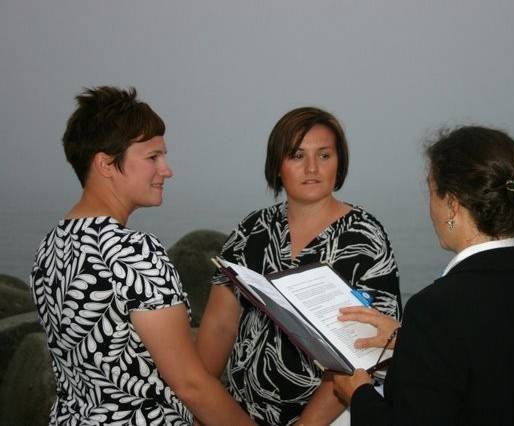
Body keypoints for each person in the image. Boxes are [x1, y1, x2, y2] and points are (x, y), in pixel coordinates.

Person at [29, 86, 254, 425]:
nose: (166, 170)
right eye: (153, 157)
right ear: (105, 164)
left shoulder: (51, 246)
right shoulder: (133, 252)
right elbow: (191, 385)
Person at [333, 126, 514, 425]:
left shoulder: (435, 308)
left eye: (431, 191)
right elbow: (487, 363)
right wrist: (409, 340)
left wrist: (358, 394)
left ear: (452, 204)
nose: (430, 207)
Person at [196, 107, 402, 425]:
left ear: (339, 163)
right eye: (296, 155)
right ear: (277, 165)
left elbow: (371, 348)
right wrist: (202, 407)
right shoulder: (252, 229)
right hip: (239, 414)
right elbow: (220, 325)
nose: (311, 168)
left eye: (324, 155)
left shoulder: (364, 237)